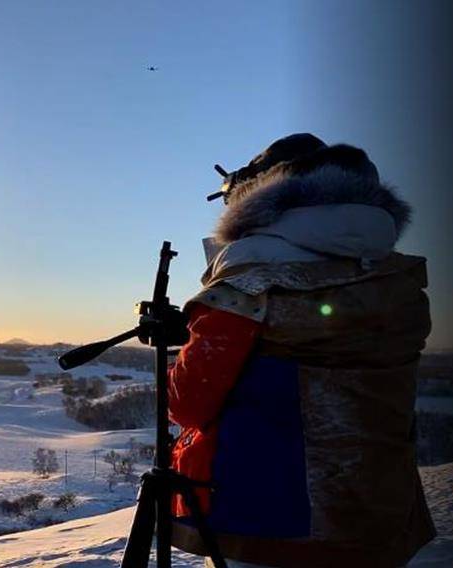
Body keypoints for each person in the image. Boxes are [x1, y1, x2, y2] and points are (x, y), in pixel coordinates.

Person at [167, 134, 434, 567]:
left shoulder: (252, 277)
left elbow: (187, 402)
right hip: (380, 510)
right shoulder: (396, 279)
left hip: (272, 519)